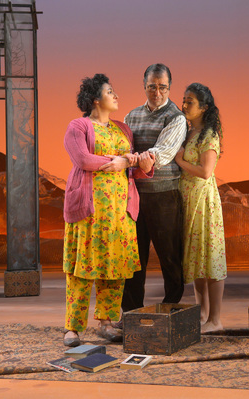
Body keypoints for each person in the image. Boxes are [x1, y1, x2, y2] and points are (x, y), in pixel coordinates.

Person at [62, 74, 154, 346]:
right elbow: (82, 159)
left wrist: (140, 164)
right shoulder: (78, 126)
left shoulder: (123, 129)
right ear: (95, 99)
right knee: (82, 270)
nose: (116, 96)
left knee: (114, 268)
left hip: (119, 212)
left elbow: (132, 167)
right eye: (110, 91)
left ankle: (106, 321)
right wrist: (118, 162)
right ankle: (72, 328)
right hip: (89, 211)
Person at [120, 64, 187, 316]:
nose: (157, 92)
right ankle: (132, 313)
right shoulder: (131, 116)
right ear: (144, 86)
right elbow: (121, 146)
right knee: (134, 258)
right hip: (135, 196)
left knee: (169, 257)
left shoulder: (176, 117)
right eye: (152, 87)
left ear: (169, 88)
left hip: (164, 195)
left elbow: (162, 152)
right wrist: (132, 157)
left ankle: (171, 310)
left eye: (162, 87)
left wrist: (133, 157)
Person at [175, 83, 227, 333]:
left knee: (211, 258)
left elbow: (206, 172)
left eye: (190, 101)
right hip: (188, 200)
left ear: (204, 107)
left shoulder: (209, 135)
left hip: (203, 202)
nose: (184, 105)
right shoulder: (187, 132)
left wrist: (180, 161)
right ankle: (202, 314)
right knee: (197, 258)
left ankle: (215, 320)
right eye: (184, 100)